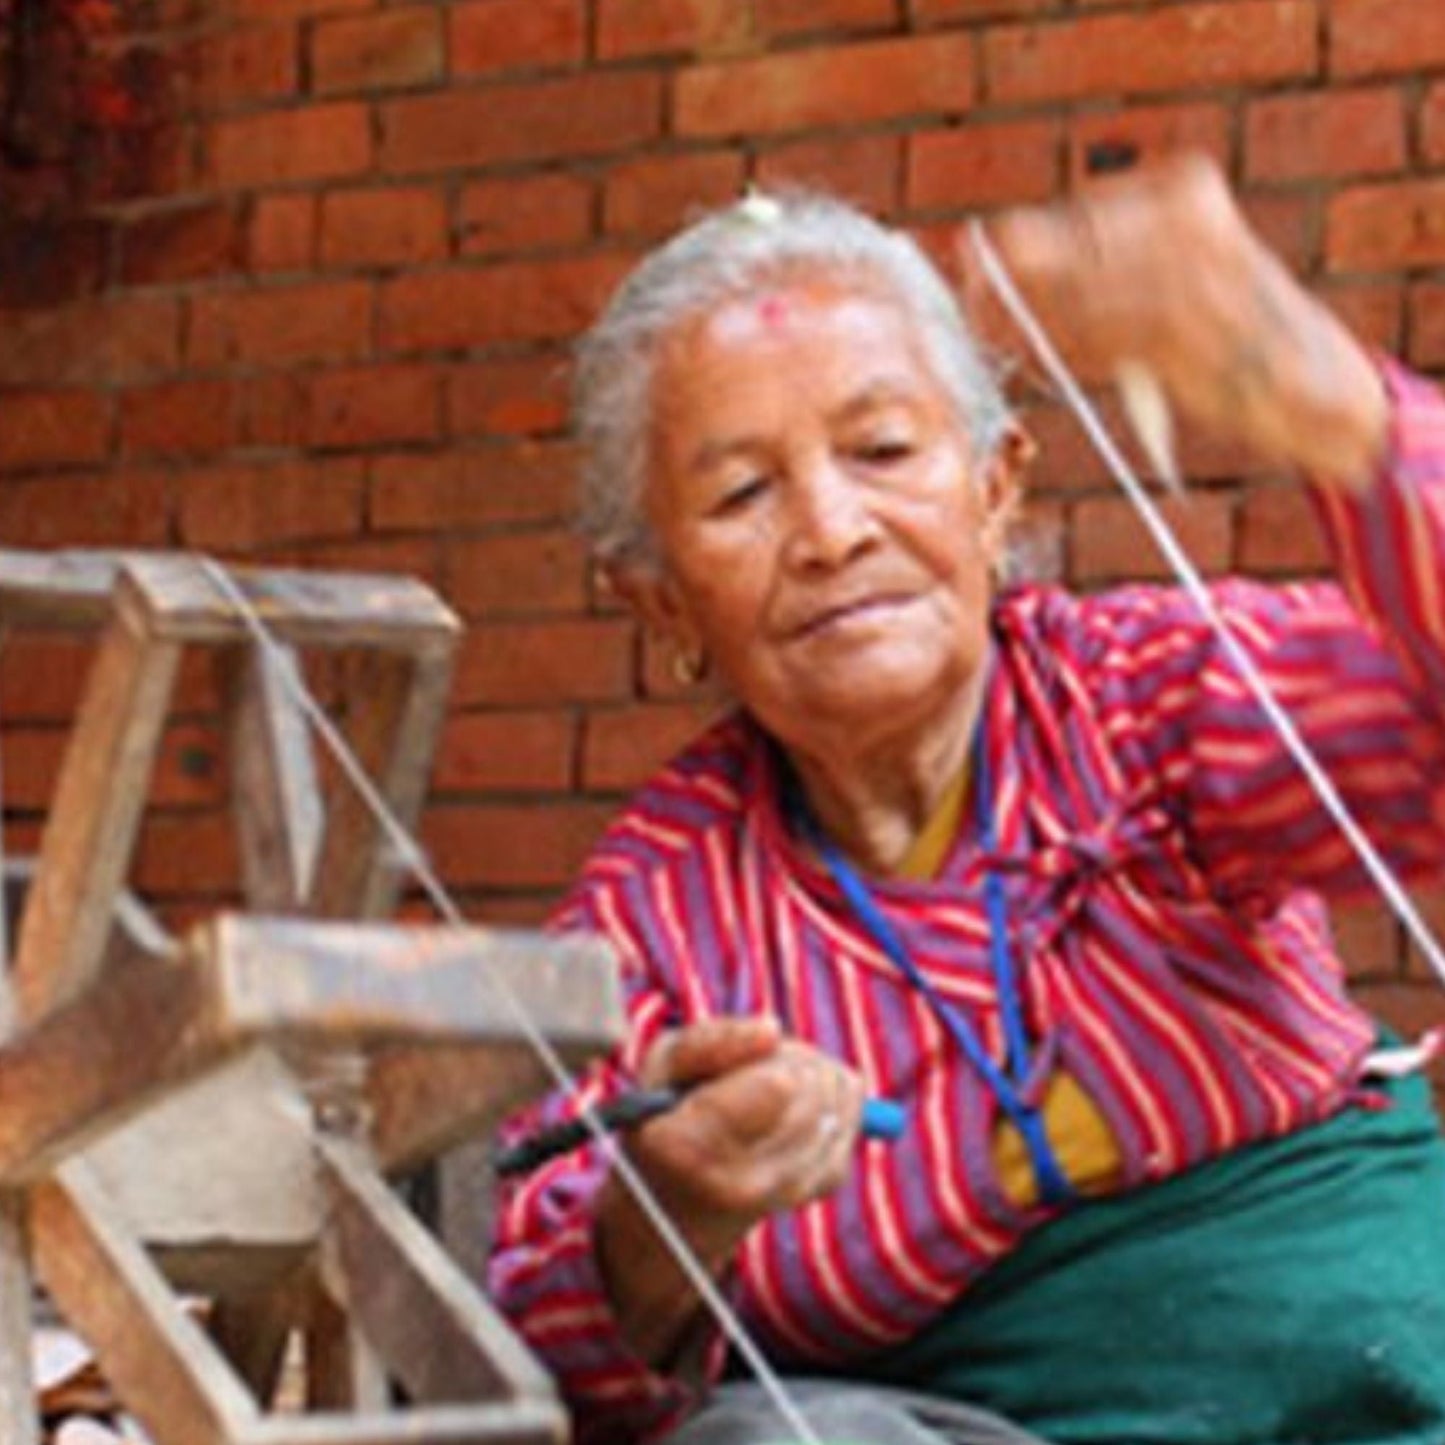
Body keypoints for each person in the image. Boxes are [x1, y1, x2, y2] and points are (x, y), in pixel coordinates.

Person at [486, 155, 1445, 1445]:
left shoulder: (1145, 703)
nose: (830, 531)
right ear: (660, 600)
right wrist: (672, 1211)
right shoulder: (658, 910)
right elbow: (539, 1346)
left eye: (882, 449)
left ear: (996, 492)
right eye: (740, 494)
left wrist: (1333, 405)